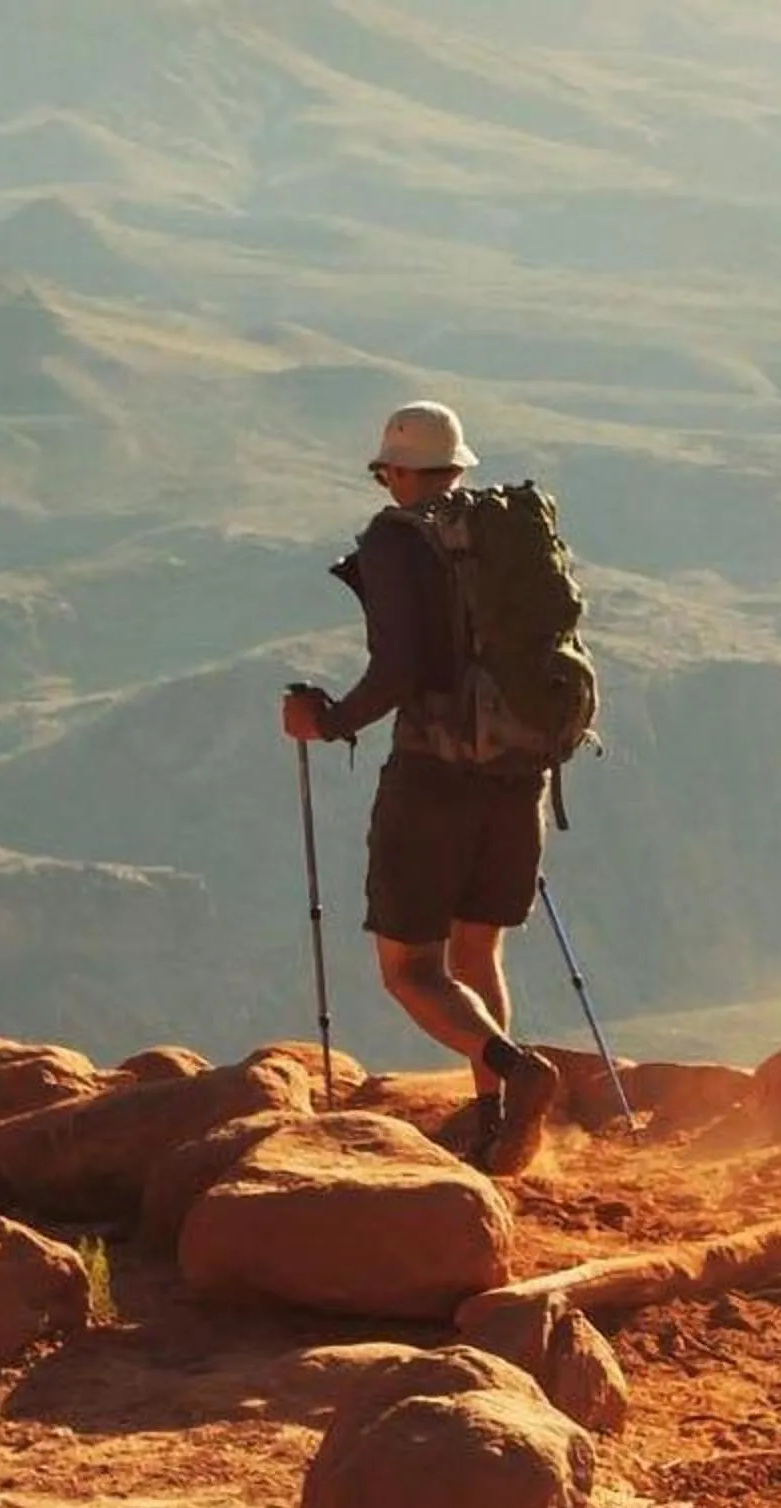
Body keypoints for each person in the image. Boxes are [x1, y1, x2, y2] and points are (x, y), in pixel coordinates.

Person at [281, 400, 563, 1175]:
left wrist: (328, 720)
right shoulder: (506, 534)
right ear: (460, 466)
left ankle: (513, 1072)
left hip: (434, 778)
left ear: (398, 470)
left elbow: (402, 669)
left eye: (383, 471)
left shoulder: (396, 539)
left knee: (413, 972)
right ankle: (496, 1124)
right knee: (478, 953)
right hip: (517, 775)